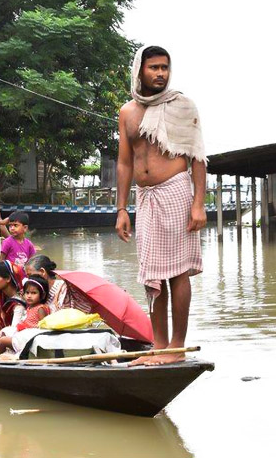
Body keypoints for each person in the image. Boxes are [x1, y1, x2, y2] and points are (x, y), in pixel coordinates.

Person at [115, 45, 207, 365]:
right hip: (145, 199)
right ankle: (159, 344)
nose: (160, 73)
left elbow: (197, 156)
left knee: (178, 273)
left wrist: (199, 204)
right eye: (153, 67)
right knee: (151, 274)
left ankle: (177, 347)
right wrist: (122, 208)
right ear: (140, 70)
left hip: (177, 193)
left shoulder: (182, 106)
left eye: (164, 68)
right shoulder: (127, 112)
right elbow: (125, 163)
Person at [0, 275, 51, 358]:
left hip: (30, 337)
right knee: (3, 335)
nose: (29, 296)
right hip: (23, 334)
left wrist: (27, 327)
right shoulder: (29, 307)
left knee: (3, 341)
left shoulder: (40, 308)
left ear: (42, 295)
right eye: (27, 293)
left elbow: (44, 326)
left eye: (34, 293)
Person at [25, 254, 91, 313]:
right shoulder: (34, 292)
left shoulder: (65, 289)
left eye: (30, 275)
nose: (29, 279)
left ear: (42, 272)